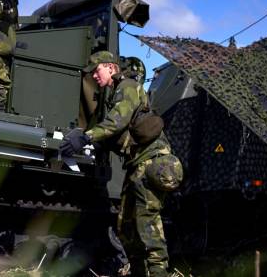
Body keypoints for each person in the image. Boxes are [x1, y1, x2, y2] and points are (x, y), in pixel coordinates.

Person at [60, 51, 183, 277]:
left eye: (96, 71)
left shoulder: (127, 86)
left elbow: (118, 121)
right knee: (126, 229)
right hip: (137, 164)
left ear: (110, 67)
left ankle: (159, 274)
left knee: (147, 226)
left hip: (152, 161)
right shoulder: (114, 93)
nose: (94, 77)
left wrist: (86, 137)